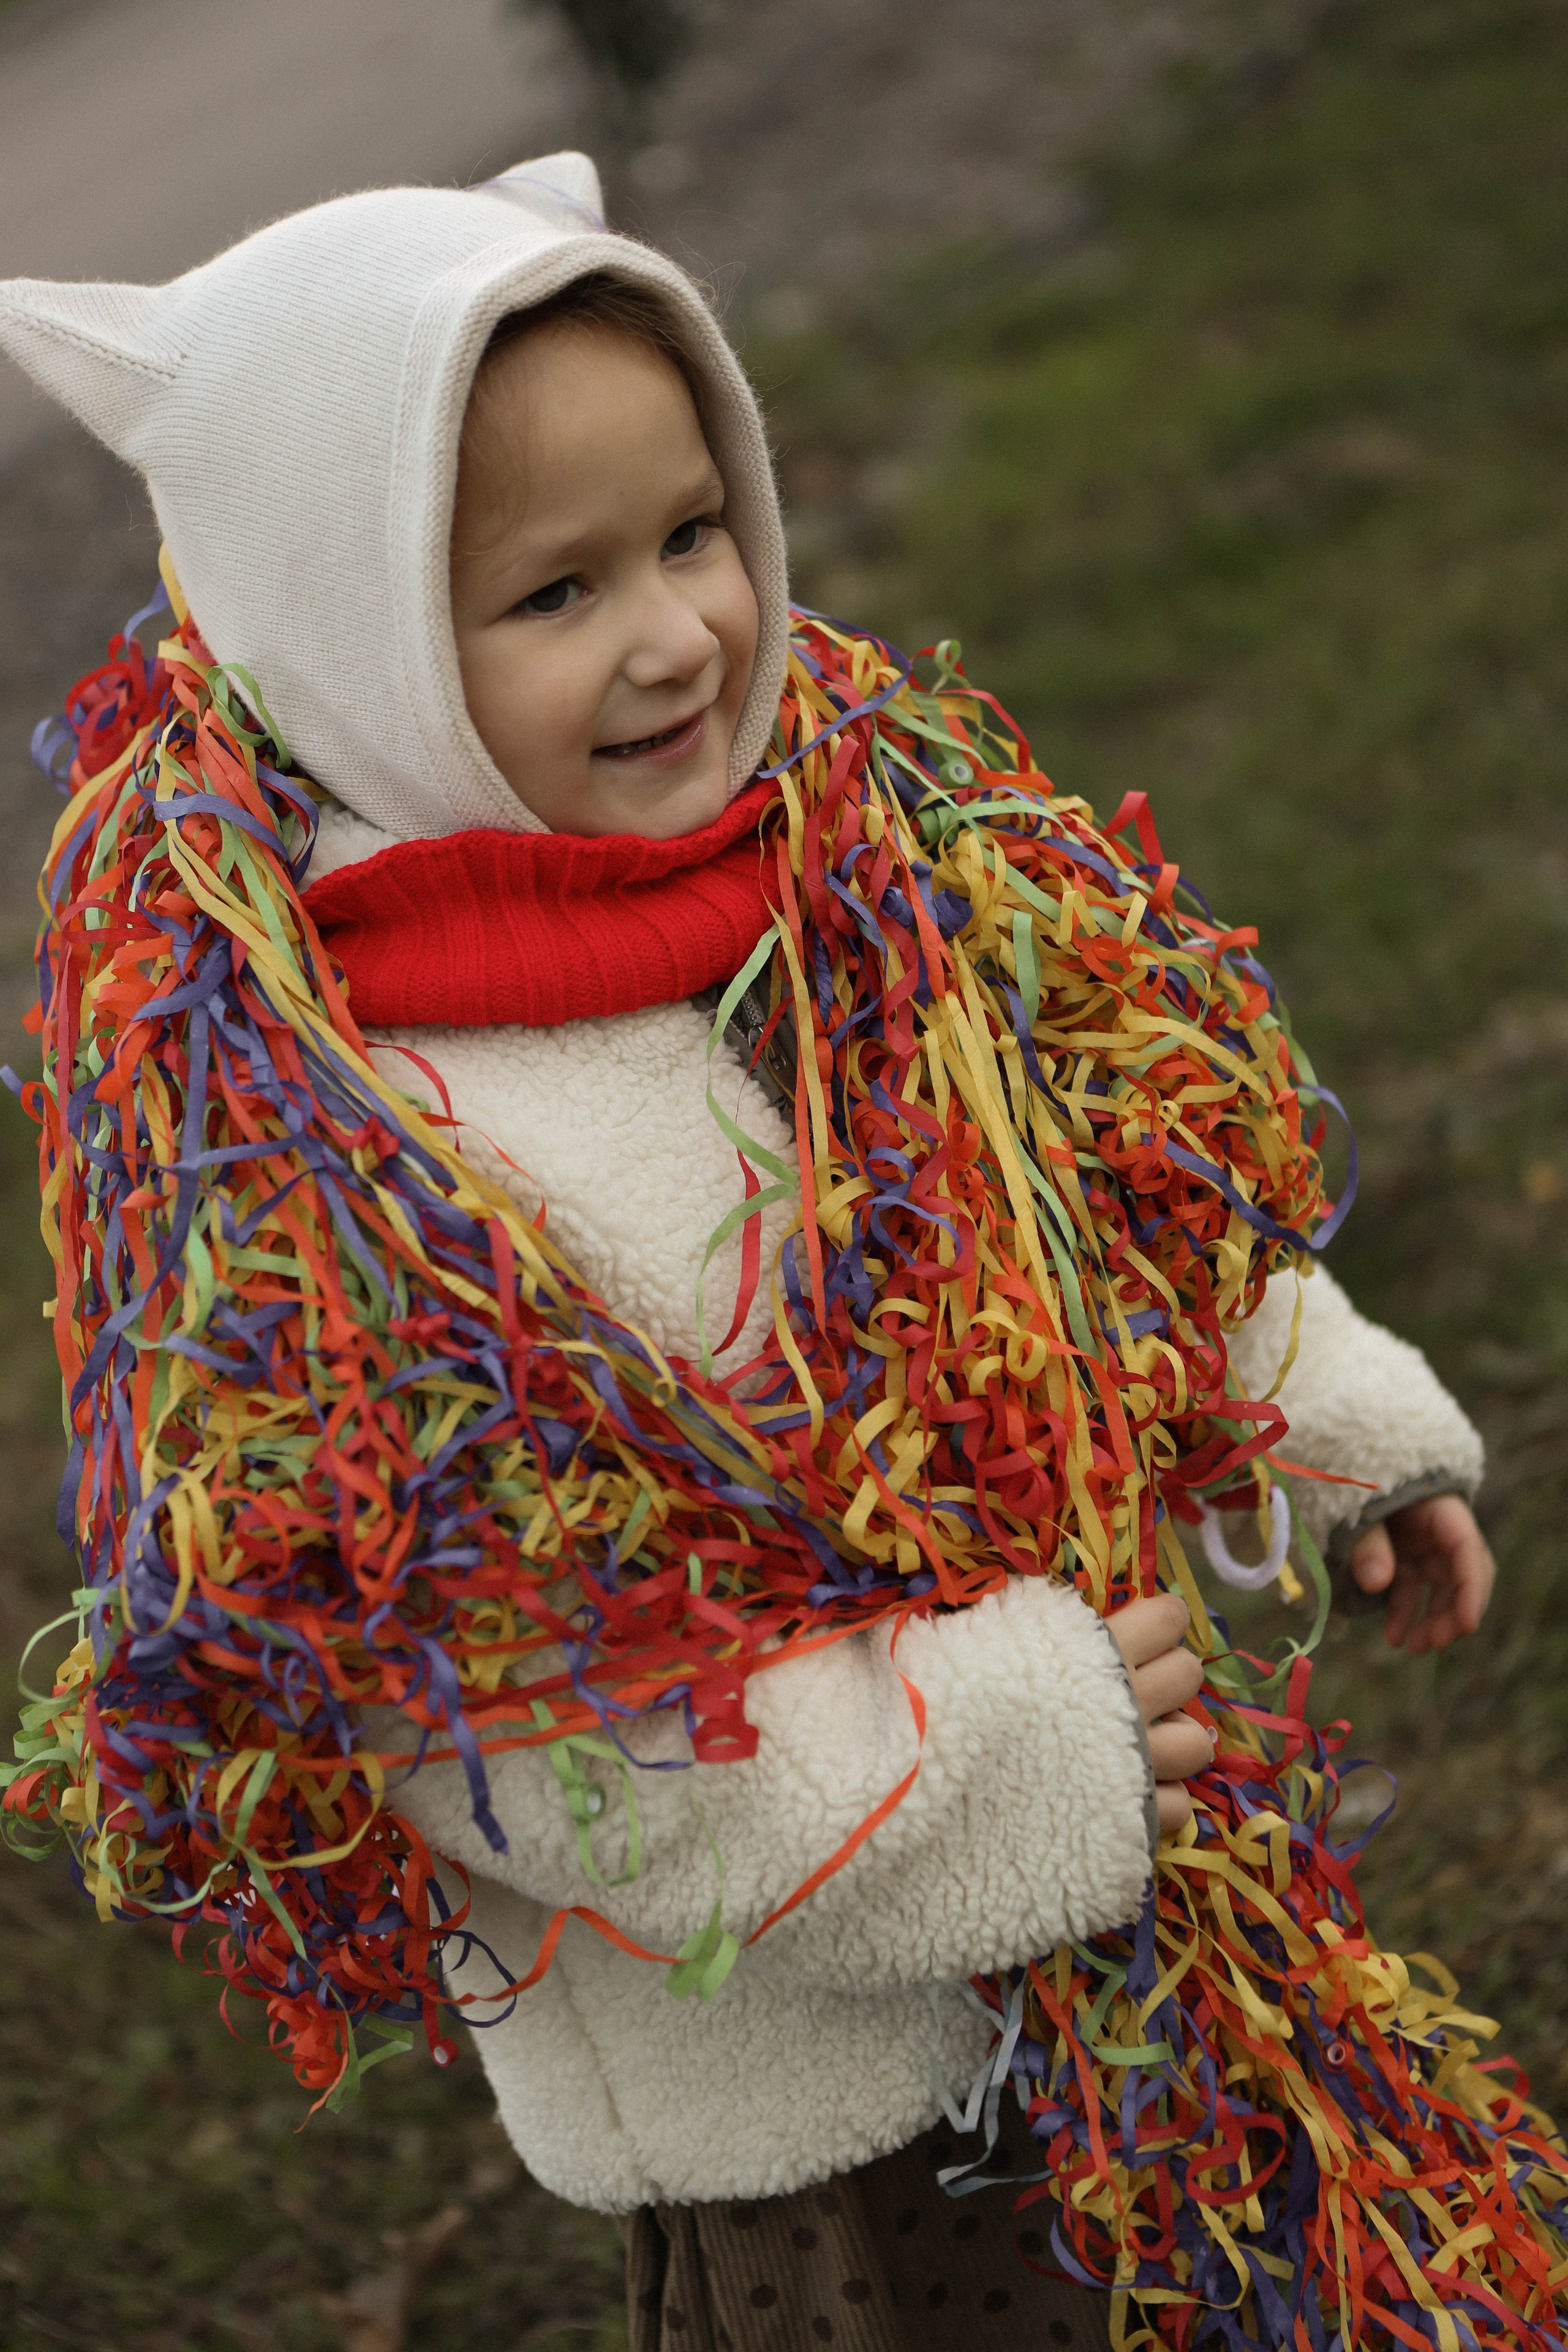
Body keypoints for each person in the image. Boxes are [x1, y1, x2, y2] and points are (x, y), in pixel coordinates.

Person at [0, 156, 1496, 2351]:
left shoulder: (850, 872)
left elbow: (1084, 1208)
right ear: (349, 645)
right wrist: (1020, 1742)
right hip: (829, 2129)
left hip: (1152, 1972)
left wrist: (1344, 1425)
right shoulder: (355, 1168)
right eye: (554, 593)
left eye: (694, 532)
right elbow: (499, 1712)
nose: (680, 632)